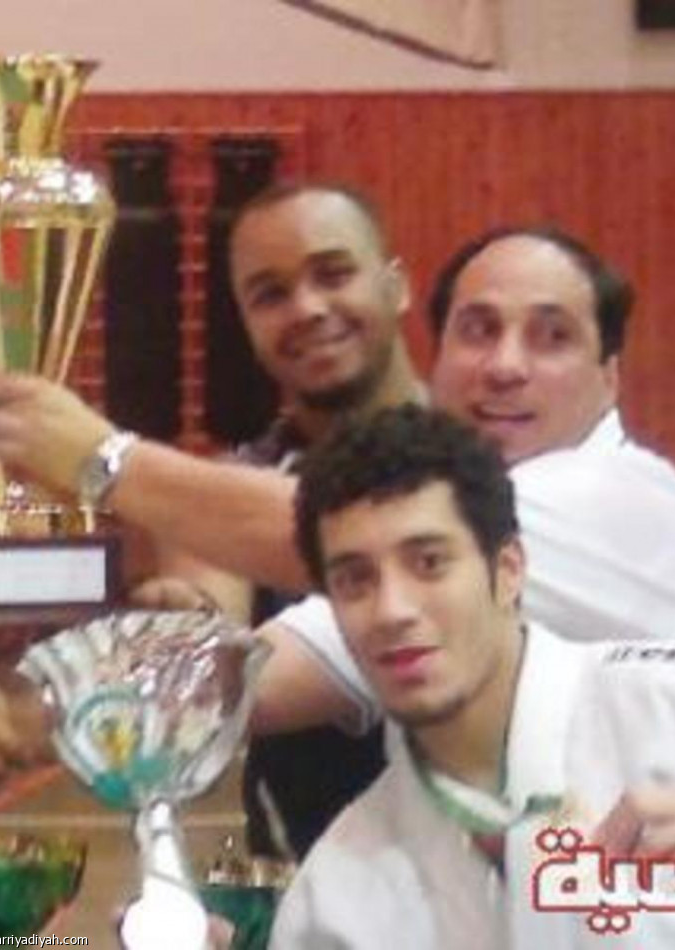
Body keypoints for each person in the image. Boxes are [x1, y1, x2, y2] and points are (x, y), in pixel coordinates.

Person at [0, 225, 675, 763]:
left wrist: (100, 459)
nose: (505, 366)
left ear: (610, 378)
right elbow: (257, 676)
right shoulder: (430, 575)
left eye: (552, 337)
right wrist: (29, 712)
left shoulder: (627, 504)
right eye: (478, 331)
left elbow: (340, 531)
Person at [270, 404, 675, 950]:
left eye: (429, 563)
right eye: (355, 580)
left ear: (508, 570)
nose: (392, 609)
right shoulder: (336, 896)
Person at [150, 181, 417, 858]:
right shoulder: (228, 490)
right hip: (303, 894)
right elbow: (205, 638)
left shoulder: (498, 467)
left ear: (396, 287)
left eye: (333, 273)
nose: (307, 308)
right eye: (270, 294)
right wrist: (179, 626)